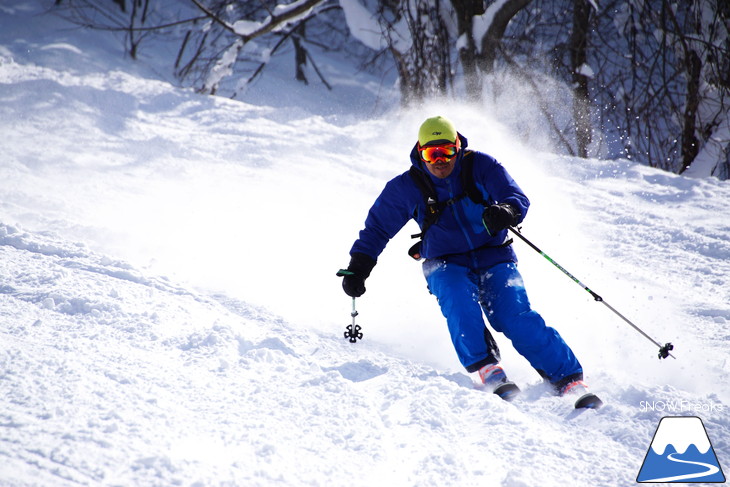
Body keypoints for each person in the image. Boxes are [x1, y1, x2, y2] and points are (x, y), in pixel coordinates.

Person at [339, 115, 591, 401]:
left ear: (458, 147)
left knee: (515, 315)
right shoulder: (407, 186)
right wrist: (359, 266)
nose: (439, 160)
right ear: (420, 153)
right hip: (445, 262)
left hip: (493, 254)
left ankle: (568, 378)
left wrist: (506, 210)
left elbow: (514, 195)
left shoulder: (480, 166)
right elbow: (377, 228)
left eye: (446, 151)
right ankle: (487, 369)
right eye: (431, 153)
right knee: (460, 304)